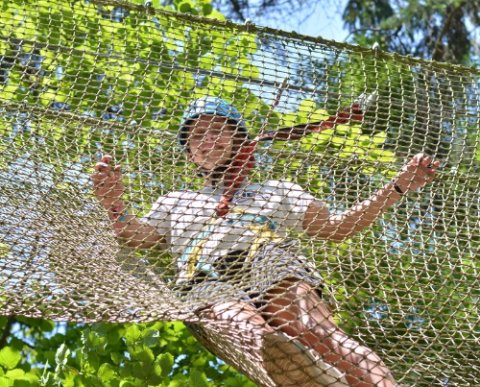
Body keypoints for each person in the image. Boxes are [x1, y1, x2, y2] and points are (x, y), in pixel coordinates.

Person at [91, 96, 439, 386]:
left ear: (239, 141)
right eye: (196, 137)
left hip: (270, 261)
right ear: (190, 155)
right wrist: (114, 205)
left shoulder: (278, 190)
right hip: (206, 278)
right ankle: (308, 374)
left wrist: (396, 188)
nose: (206, 141)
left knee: (313, 330)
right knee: (250, 330)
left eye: (216, 130)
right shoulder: (175, 201)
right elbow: (136, 237)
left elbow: (336, 228)